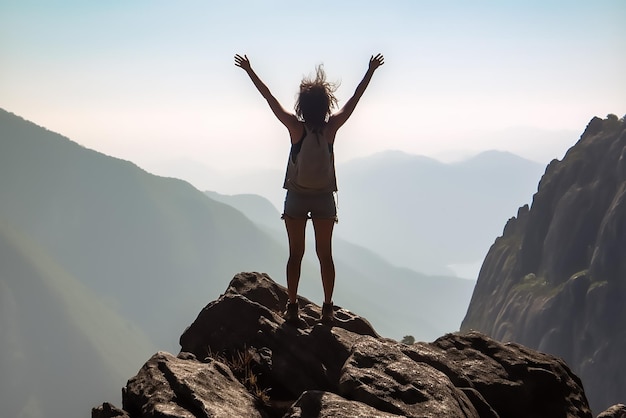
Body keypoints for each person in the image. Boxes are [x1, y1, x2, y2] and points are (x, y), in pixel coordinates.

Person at [235, 53, 384, 325]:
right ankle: (327, 308)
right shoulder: (331, 129)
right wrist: (370, 71)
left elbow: (269, 98)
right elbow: (354, 100)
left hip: (296, 199)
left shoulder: (295, 128)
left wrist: (249, 70)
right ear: (326, 105)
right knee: (325, 256)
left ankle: (292, 307)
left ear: (302, 106)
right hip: (324, 199)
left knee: (295, 255)